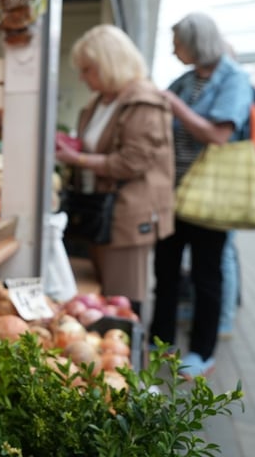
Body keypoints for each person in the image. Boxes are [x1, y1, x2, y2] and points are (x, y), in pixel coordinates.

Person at [149, 12, 255, 378]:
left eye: (177, 42)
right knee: (165, 271)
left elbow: (219, 134)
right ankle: (159, 340)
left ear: (195, 42)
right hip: (173, 195)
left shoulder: (235, 80)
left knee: (206, 277)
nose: (173, 50)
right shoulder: (186, 80)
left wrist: (173, 104)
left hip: (211, 198)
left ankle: (202, 352)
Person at [56, 24, 175, 317]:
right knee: (103, 296)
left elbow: (132, 162)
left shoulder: (144, 101)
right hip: (101, 212)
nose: (83, 78)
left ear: (109, 64)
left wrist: (78, 159)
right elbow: (97, 147)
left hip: (128, 216)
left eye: (88, 70)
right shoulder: (101, 102)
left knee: (122, 303)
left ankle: (131, 361)